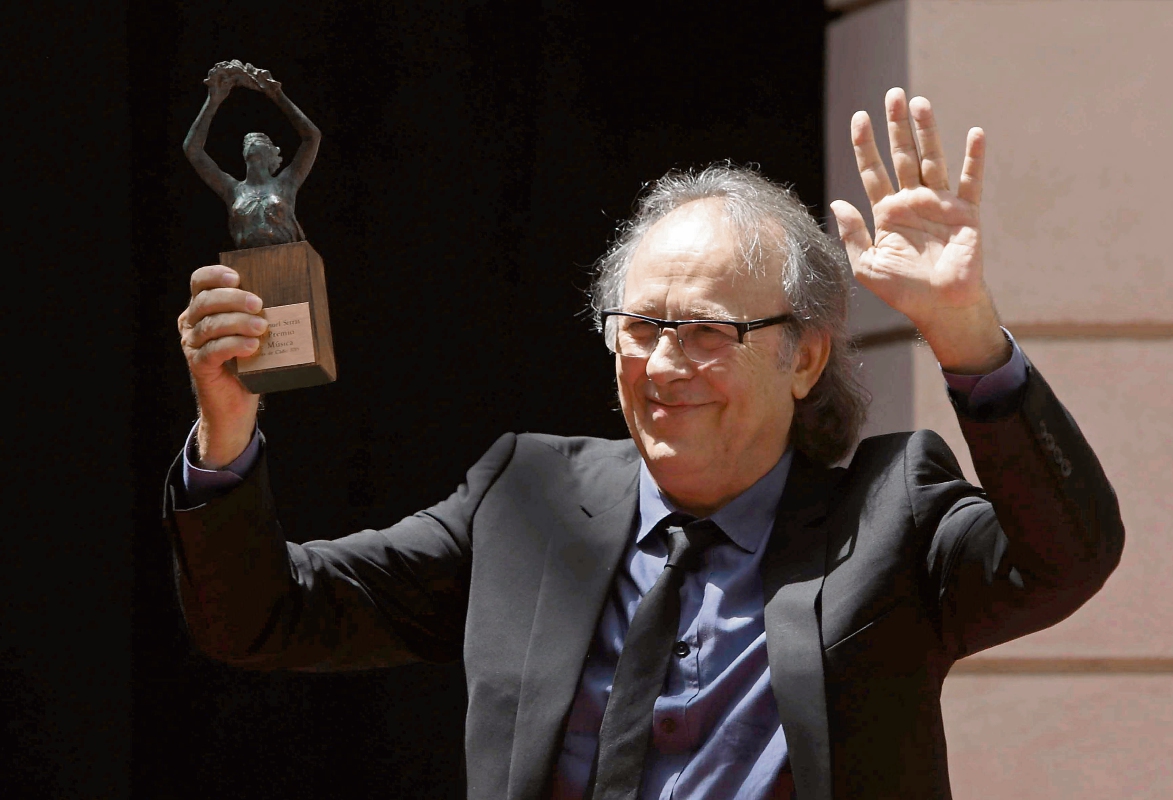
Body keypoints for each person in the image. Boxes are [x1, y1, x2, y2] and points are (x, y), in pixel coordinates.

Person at [167, 90, 1123, 799]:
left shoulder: (888, 510)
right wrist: (227, 427)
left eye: (711, 331)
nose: (665, 366)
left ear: (805, 358)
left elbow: (1064, 559)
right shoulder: (526, 500)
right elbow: (263, 616)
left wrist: (967, 338)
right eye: (642, 326)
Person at [182, 60, 320, 249]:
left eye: (262, 140)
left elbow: (311, 137)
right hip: (248, 262)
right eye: (247, 140)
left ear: (273, 155)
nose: (252, 139)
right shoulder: (232, 189)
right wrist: (213, 100)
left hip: (288, 259)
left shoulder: (286, 182)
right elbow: (193, 150)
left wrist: (276, 94)